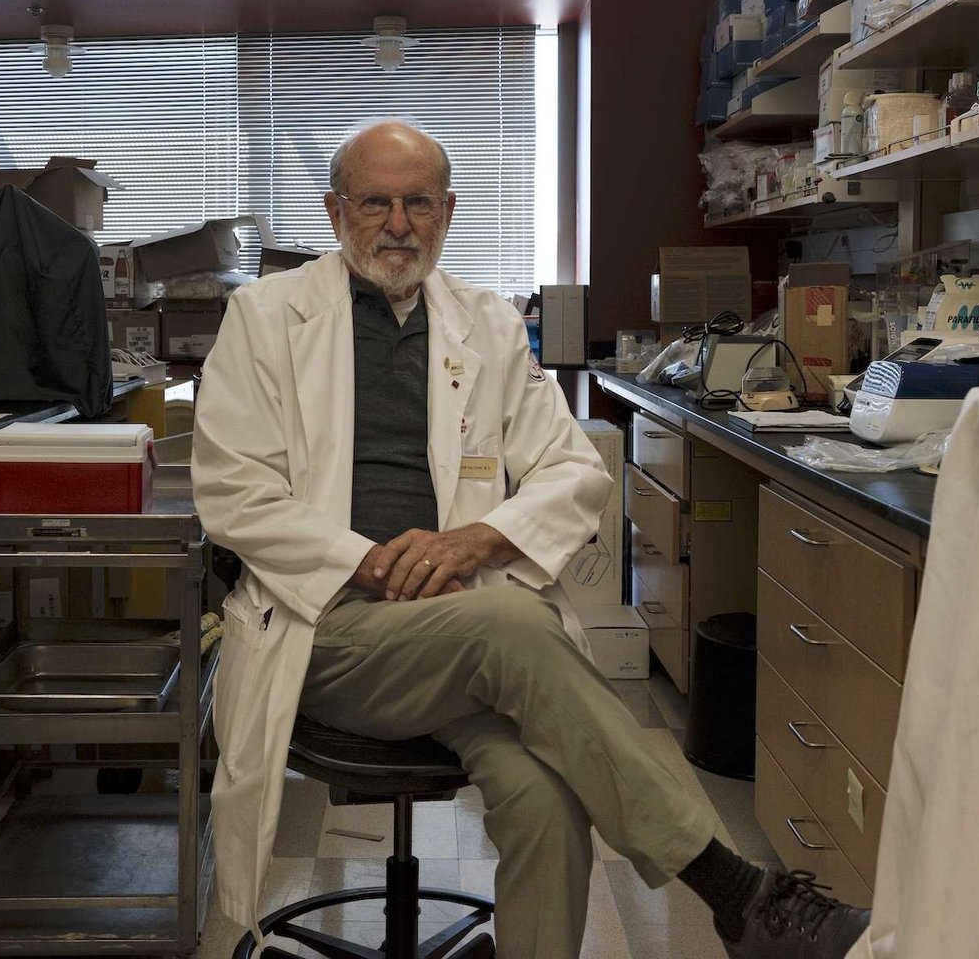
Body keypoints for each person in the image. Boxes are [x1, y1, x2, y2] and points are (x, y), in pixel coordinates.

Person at [192, 120, 870, 958]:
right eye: (375, 202)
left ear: (448, 212)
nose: (398, 223)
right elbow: (233, 491)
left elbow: (572, 472)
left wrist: (478, 539)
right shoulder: (262, 320)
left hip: (466, 635)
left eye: (418, 203)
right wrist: (366, 559)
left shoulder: (488, 324)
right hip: (328, 631)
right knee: (516, 625)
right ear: (336, 213)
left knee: (547, 797)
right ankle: (735, 892)